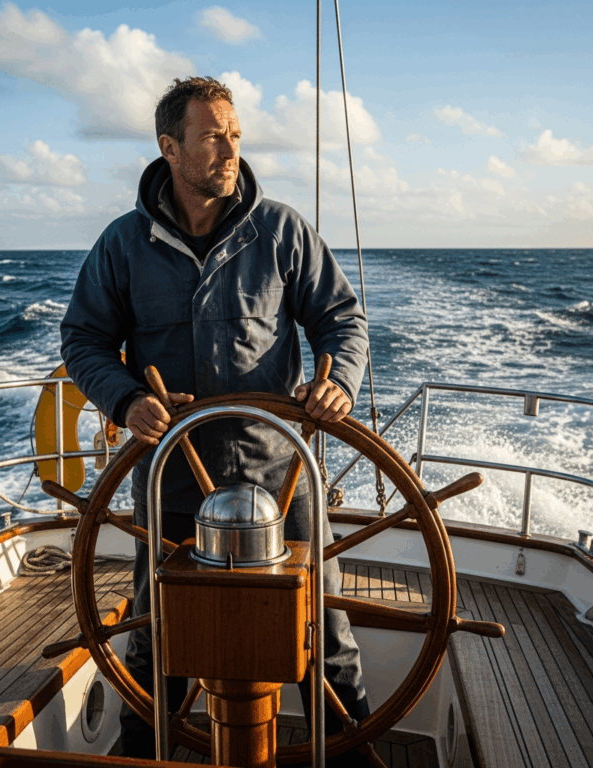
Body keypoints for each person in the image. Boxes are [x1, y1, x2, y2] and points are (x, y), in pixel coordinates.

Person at [60, 76, 372, 764]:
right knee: (158, 635)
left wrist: (338, 384)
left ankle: (352, 754)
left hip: (280, 472)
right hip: (170, 479)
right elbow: (82, 340)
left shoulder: (282, 231)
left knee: (325, 628)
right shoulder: (123, 245)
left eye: (235, 135)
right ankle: (150, 754)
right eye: (211, 137)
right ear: (170, 147)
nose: (230, 149)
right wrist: (123, 398)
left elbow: (341, 321)